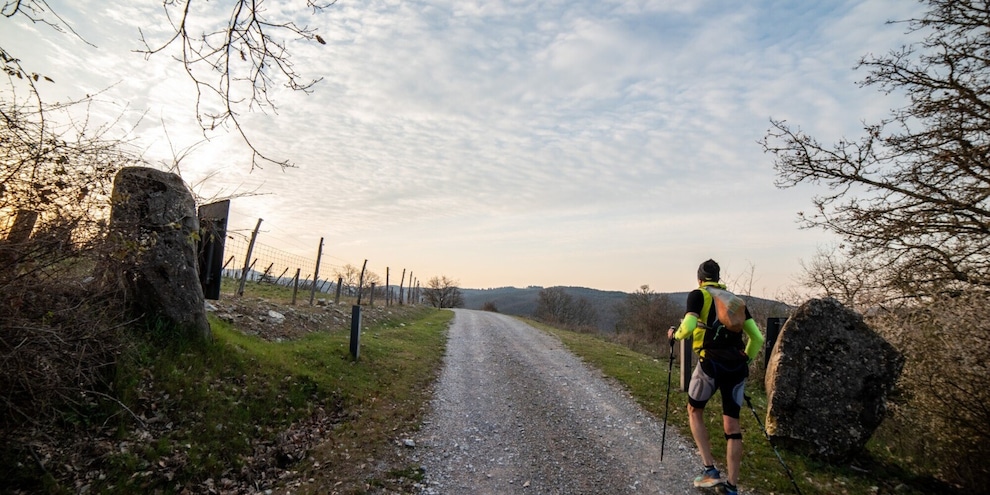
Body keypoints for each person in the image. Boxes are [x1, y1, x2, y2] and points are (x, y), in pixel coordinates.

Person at [667, 259, 764, 495]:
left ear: (700, 278)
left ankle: (710, 470)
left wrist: (674, 335)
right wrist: (746, 359)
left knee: (694, 410)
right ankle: (731, 486)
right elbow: (757, 339)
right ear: (718, 278)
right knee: (732, 425)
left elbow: (689, 326)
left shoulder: (698, 295)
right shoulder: (735, 301)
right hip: (736, 367)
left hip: (710, 364)